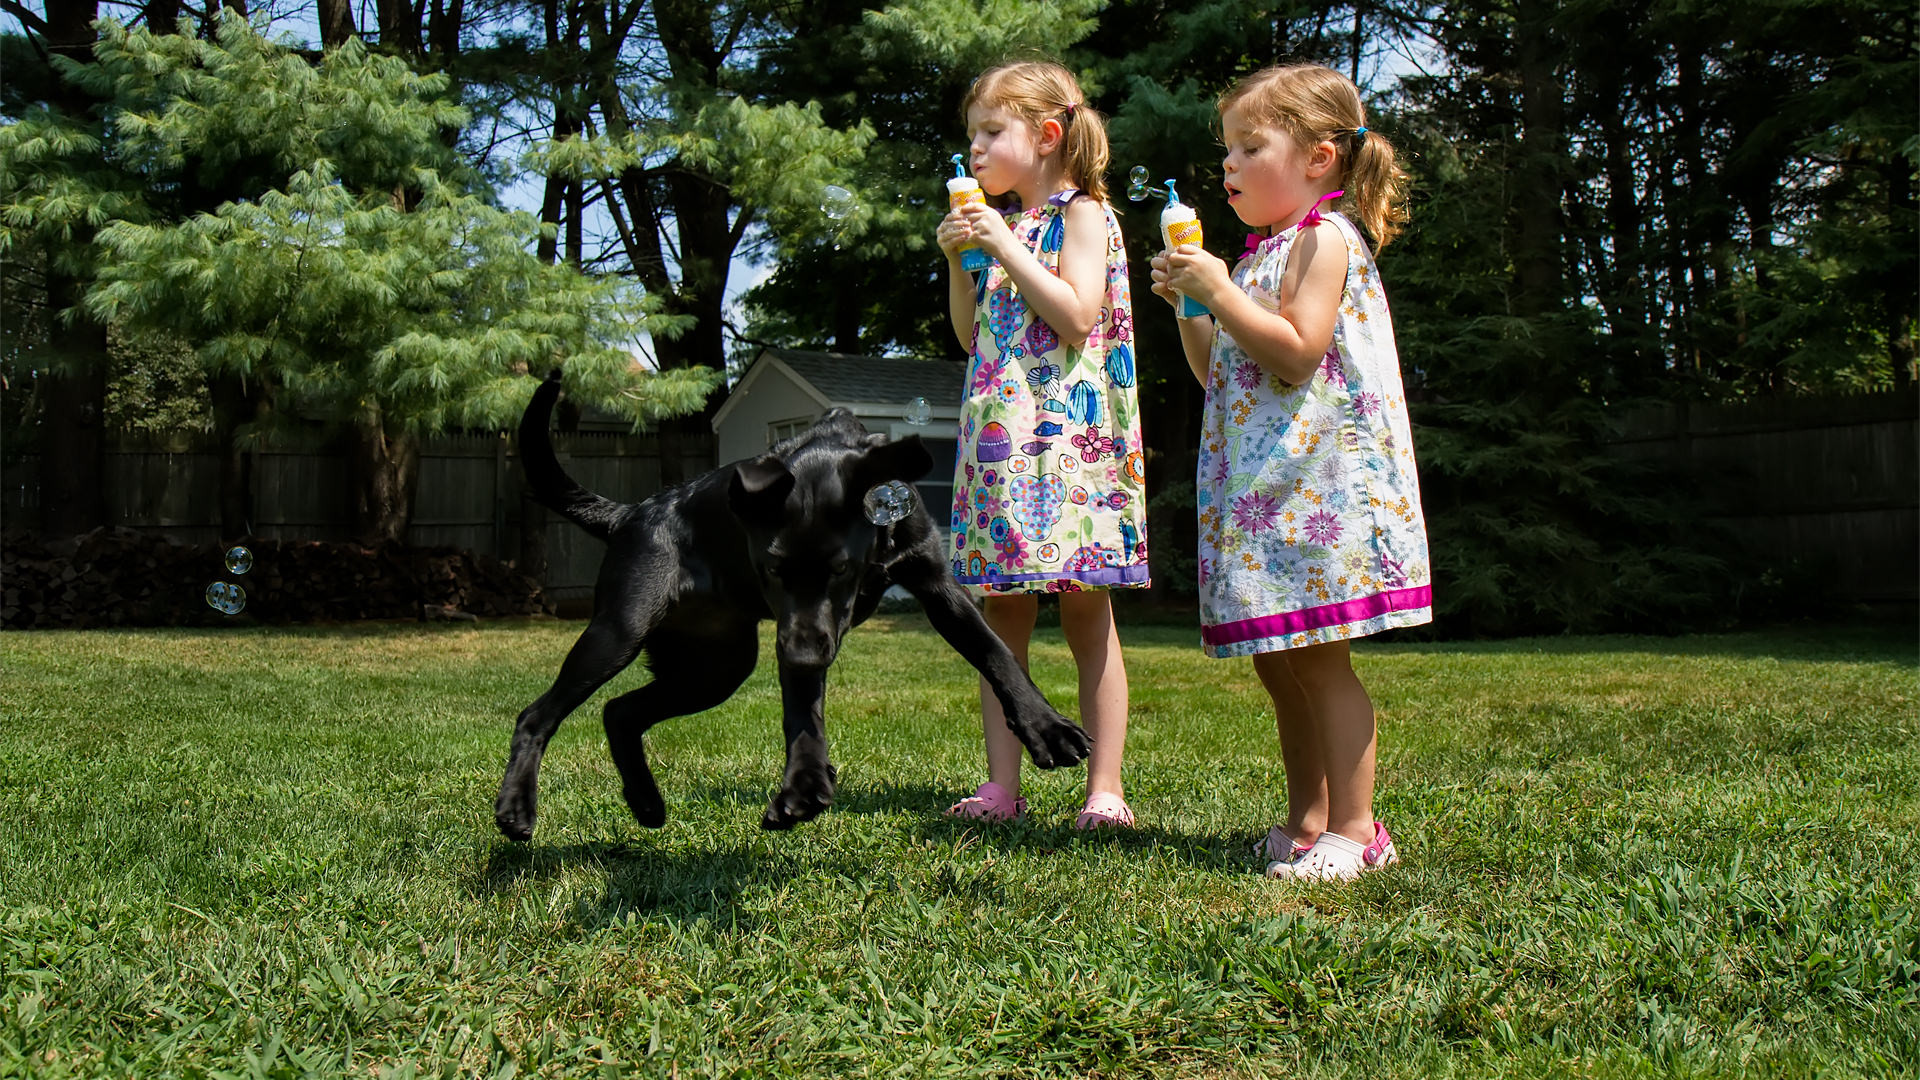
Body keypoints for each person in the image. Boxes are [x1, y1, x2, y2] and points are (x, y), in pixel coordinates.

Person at [1149, 63, 1432, 880]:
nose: (1228, 164)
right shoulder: (1255, 260)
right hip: (1268, 490)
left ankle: (1358, 830)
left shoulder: (1325, 239)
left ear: (1318, 157)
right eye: (1226, 148)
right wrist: (1193, 306)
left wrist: (1221, 293)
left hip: (1320, 488)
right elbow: (1218, 372)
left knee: (1318, 659)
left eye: (1249, 146)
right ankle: (1308, 821)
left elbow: (1299, 352)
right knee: (1279, 658)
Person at [935, 60, 1149, 829]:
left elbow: (1076, 315)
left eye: (991, 132)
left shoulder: (1083, 216)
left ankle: (1106, 788)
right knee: (1002, 620)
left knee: (1089, 616)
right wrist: (959, 263)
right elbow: (970, 336)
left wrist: (1001, 243)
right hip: (1002, 446)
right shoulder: (1002, 229)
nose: (975, 149)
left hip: (1073, 452)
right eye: (971, 135)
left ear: (1048, 134)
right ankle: (1002, 787)